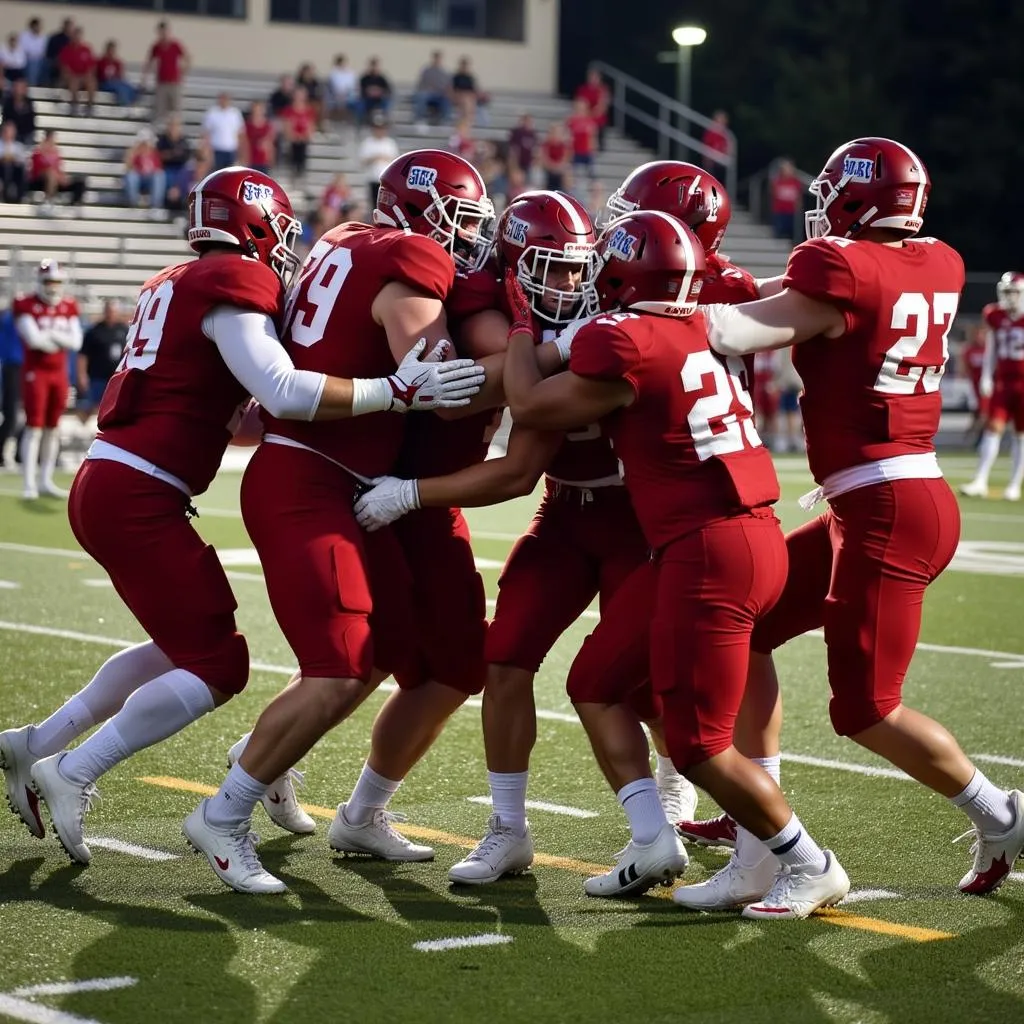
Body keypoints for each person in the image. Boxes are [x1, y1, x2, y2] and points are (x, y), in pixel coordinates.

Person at [0, 167, 485, 865]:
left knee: (180, 642)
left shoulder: (175, 279)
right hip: (138, 487)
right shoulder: (237, 281)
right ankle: (74, 771)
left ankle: (36, 743)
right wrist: (397, 389)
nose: (286, 246)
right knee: (219, 660)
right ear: (258, 224)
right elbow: (283, 392)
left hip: (122, 477)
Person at [699, 136, 1024, 902]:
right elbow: (792, 296)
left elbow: (734, 333)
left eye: (831, 191)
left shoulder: (839, 268)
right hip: (886, 497)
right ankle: (757, 827)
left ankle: (1001, 813)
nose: (821, 206)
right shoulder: (936, 260)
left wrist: (643, 315)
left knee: (866, 708)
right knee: (750, 623)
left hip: (886, 506)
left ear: (854, 196)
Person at [501, 208, 849, 917]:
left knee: (696, 743)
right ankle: (659, 843)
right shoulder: (703, 322)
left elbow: (530, 403)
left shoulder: (622, 338)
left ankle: (808, 862)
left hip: (707, 548)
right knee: (596, 680)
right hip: (746, 532)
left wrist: (516, 326)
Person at [182, 151, 493, 894]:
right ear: (428, 211)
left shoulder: (346, 237)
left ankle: (276, 764)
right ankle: (223, 815)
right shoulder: (412, 256)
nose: (472, 238)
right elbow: (441, 384)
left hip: (335, 474)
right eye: (466, 219)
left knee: (380, 647)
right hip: (308, 475)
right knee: (340, 664)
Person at [11, 260, 81, 500]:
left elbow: (76, 342)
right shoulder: (26, 304)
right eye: (49, 281)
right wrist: (57, 336)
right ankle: (29, 482)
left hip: (58, 374)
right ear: (40, 282)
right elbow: (34, 341)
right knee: (34, 426)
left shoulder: (69, 305)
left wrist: (50, 334)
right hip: (35, 373)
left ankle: (45, 480)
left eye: (57, 282)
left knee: (53, 427)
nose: (53, 287)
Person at [962, 272, 1024, 502]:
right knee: (992, 428)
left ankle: (1014, 484)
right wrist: (987, 376)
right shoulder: (995, 314)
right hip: (1004, 382)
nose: (1010, 297)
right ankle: (980, 480)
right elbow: (992, 347)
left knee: (1020, 435)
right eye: (1007, 292)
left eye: (1014, 292)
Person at [77, 299, 126, 419]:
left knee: (117, 405)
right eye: (109, 311)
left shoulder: (124, 330)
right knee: (94, 405)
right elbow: (83, 355)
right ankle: (90, 429)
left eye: (113, 311)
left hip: (117, 376)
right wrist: (82, 375)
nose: (111, 314)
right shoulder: (94, 331)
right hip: (97, 376)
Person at [142, 21, 188, 125]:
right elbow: (149, 61)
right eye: (161, 32)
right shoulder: (156, 46)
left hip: (174, 82)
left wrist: (183, 73)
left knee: (175, 109)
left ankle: (175, 131)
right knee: (160, 110)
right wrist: (144, 78)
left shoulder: (175, 45)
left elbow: (186, 58)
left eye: (165, 32)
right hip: (161, 83)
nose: (163, 34)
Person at [28, 130, 86, 212]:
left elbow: (59, 169)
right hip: (40, 181)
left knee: (80, 181)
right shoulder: (38, 153)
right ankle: (48, 200)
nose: (52, 142)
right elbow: (36, 170)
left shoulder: (56, 153)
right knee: (50, 173)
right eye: (50, 139)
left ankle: (74, 205)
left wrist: (62, 177)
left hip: (56, 180)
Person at [358, 113, 398, 210]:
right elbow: (362, 161)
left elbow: (395, 161)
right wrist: (375, 158)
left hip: (387, 181)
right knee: (374, 205)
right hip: (373, 179)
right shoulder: (368, 143)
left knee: (387, 206)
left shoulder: (390, 143)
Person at [0, 305, 22, 469]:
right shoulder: (9, 319)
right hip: (12, 368)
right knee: (12, 414)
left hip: (25, 367)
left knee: (19, 415)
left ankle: (20, 454)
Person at [124, 128, 166, 214]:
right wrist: (133, 153)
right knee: (131, 175)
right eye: (144, 143)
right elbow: (128, 167)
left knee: (159, 175)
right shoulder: (135, 153)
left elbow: (158, 168)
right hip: (138, 178)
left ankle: (156, 206)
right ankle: (133, 203)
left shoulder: (154, 154)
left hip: (150, 179)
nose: (146, 145)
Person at [57, 26, 96, 116]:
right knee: (73, 80)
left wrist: (86, 75)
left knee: (92, 82)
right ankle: (74, 104)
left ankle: (90, 105)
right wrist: (72, 75)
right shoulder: (66, 50)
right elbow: (64, 67)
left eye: (78, 36)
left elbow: (91, 67)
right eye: (74, 36)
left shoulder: (86, 49)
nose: (76, 38)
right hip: (71, 76)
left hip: (83, 76)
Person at [203, 93, 245, 171]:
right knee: (217, 173)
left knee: (230, 173)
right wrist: (207, 150)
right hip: (217, 149)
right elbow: (207, 133)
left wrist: (240, 152)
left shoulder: (235, 113)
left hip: (231, 150)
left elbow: (240, 134)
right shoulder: (212, 113)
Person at [281, 87, 315, 182]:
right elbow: (287, 125)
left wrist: (304, 136)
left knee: (302, 158)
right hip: (292, 140)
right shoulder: (289, 110)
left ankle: (300, 176)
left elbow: (310, 125)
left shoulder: (309, 110)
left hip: (303, 140)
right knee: (292, 157)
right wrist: (294, 136)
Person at [413, 50, 452, 128]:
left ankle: (445, 120)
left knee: (447, 98)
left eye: (438, 58)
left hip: (439, 95)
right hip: (428, 93)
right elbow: (420, 85)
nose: (437, 60)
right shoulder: (426, 71)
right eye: (435, 58)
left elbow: (447, 86)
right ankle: (420, 119)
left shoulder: (444, 73)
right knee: (422, 96)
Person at [574, 67, 610, 151]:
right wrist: (586, 113)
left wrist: (592, 114)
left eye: (595, 77)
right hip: (585, 113)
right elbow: (580, 102)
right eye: (591, 77)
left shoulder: (603, 89)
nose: (593, 79)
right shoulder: (583, 89)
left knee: (599, 120)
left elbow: (603, 105)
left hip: (596, 115)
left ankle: (599, 145)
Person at [96, 40, 137, 107]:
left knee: (130, 87)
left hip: (116, 82)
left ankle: (131, 104)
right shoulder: (101, 62)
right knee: (121, 89)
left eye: (113, 50)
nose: (112, 52)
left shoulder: (117, 62)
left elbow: (120, 76)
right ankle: (124, 106)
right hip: (104, 83)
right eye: (110, 50)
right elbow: (100, 75)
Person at [770, 159, 803, 240]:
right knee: (779, 230)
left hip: (791, 211)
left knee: (791, 230)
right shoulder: (777, 181)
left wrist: (798, 207)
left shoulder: (796, 182)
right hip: (779, 211)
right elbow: (773, 194)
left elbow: (798, 196)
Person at [244, 101, 275, 176]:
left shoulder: (267, 126)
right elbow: (244, 143)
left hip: (263, 161)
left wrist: (271, 158)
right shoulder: (247, 125)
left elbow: (270, 144)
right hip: (251, 160)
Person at [2, 78, 37, 145]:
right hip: (10, 133)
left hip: (26, 134)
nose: (19, 90)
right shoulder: (8, 103)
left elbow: (31, 123)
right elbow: (5, 120)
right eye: (17, 87)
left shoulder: (29, 103)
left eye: (21, 87)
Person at [0, 121, 27, 204]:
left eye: (11, 131)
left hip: (15, 171)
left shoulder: (18, 146)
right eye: (6, 131)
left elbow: (22, 160)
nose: (8, 133)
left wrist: (11, 158)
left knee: (19, 169)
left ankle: (19, 198)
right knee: (6, 167)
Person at [357, 57, 391, 123]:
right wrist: (369, 92)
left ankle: (384, 120)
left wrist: (380, 92)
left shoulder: (382, 78)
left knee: (386, 102)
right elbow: (361, 90)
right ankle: (361, 122)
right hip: (368, 99)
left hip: (379, 99)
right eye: (373, 66)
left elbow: (388, 90)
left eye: (376, 66)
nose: (374, 68)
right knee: (360, 105)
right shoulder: (365, 78)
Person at [326, 54, 357, 123]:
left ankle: (349, 121)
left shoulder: (350, 73)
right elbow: (334, 86)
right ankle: (339, 120)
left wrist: (347, 93)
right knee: (338, 101)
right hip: (336, 95)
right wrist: (340, 94)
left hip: (349, 94)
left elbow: (353, 86)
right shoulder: (333, 73)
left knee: (354, 101)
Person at [540, 122, 571, 191]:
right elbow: (545, 159)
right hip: (548, 170)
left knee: (567, 173)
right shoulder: (546, 144)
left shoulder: (563, 145)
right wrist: (553, 167)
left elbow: (565, 159)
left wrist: (557, 167)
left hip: (559, 171)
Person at [507, 113, 537, 181]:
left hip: (528, 163)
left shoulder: (533, 134)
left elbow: (534, 149)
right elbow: (513, 149)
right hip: (518, 162)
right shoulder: (517, 132)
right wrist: (514, 163)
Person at [18, 18, 47, 87]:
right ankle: (32, 85)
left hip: (39, 59)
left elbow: (43, 51)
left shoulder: (43, 37)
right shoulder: (24, 36)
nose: (39, 28)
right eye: (37, 26)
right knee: (33, 63)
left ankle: (43, 85)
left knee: (45, 63)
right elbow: (24, 50)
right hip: (27, 59)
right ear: (32, 26)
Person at [44, 18, 73, 88]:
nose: (69, 28)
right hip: (57, 61)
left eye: (70, 27)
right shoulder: (55, 38)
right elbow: (49, 53)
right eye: (67, 26)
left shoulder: (73, 41)